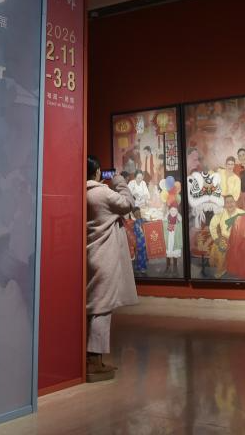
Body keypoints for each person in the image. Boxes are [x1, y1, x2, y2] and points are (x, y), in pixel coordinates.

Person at [85, 155, 138, 382]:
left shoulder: (82, 192)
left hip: (90, 254)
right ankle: (94, 361)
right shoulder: (102, 193)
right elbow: (128, 203)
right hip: (105, 256)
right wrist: (118, 181)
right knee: (102, 307)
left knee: (92, 305)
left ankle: (89, 357)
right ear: (97, 171)